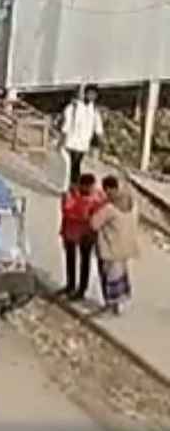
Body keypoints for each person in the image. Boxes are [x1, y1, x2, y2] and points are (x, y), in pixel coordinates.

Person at [91, 175, 141, 314]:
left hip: (110, 247)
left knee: (109, 276)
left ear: (108, 189)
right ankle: (121, 303)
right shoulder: (131, 203)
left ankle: (111, 304)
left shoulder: (109, 208)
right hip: (126, 246)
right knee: (121, 274)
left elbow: (94, 224)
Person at [60, 173, 102, 300]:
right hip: (71, 231)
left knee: (85, 261)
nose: (91, 189)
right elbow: (67, 211)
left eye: (92, 186)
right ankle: (71, 285)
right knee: (71, 259)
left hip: (86, 234)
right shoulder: (72, 195)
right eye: (89, 187)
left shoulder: (96, 198)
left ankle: (81, 289)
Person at [61, 85, 106, 184]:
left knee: (76, 164)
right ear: (85, 94)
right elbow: (66, 124)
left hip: (84, 143)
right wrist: (62, 139)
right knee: (73, 164)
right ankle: (73, 184)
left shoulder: (94, 110)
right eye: (90, 94)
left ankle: (73, 184)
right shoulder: (74, 107)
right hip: (71, 141)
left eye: (94, 95)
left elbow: (98, 127)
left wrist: (101, 141)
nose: (91, 96)